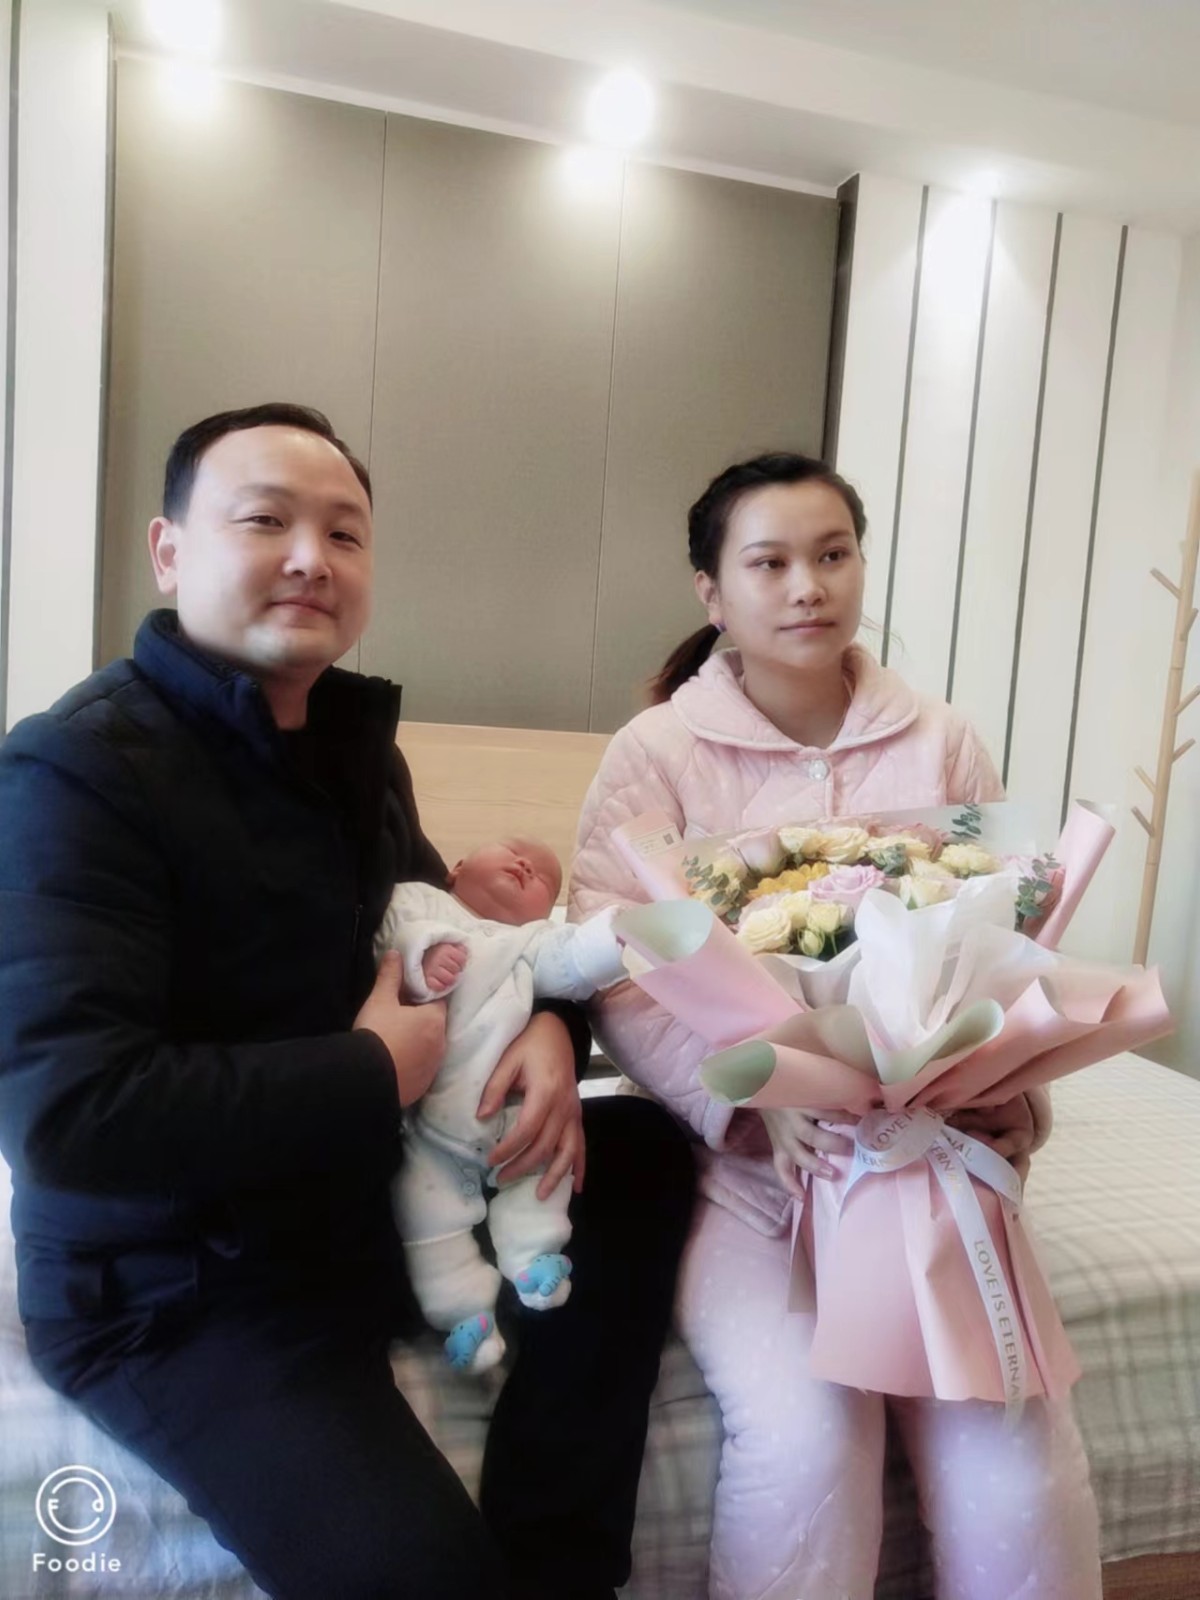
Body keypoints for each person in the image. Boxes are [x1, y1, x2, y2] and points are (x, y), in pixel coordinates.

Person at [0, 403, 694, 1600]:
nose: (310, 557)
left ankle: (555, 1555)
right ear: (169, 550)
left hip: (357, 1200)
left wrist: (550, 1023)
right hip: (184, 1284)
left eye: (344, 532)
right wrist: (374, 1071)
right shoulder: (76, 771)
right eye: (265, 521)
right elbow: (66, 1113)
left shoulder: (357, 754)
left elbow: (452, 939)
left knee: (635, 1150)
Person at [569, 452, 1101, 1600]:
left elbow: (1009, 938)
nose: (807, 585)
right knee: (808, 1446)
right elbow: (616, 969)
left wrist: (1001, 1096)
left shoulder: (941, 737)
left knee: (1014, 1461)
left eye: (833, 554)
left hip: (927, 1164)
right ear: (712, 591)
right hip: (754, 1181)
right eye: (769, 563)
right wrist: (753, 1102)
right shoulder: (655, 753)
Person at [379, 836, 626, 1372]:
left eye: (545, 879)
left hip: (513, 1112)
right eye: (513, 850)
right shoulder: (418, 899)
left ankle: (534, 1259)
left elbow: (571, 960)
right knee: (426, 1220)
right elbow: (387, 944)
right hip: (425, 1126)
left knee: (545, 1165)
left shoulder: (529, 942)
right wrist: (423, 956)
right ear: (455, 867)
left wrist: (616, 936)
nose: (525, 865)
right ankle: (463, 1315)